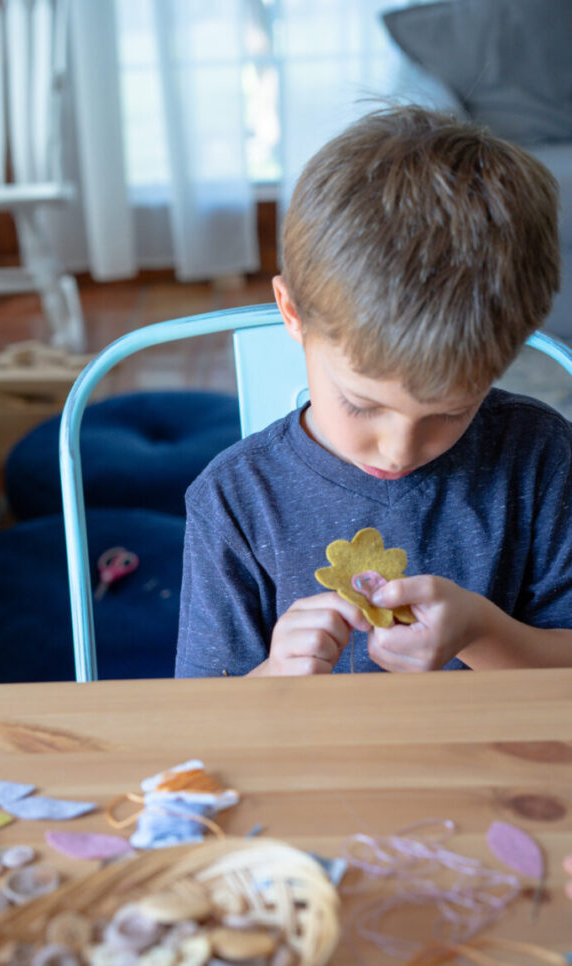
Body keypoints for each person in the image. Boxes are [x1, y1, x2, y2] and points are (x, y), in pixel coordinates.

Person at [175, 105, 572, 677]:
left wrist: (484, 632)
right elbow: (200, 715)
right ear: (292, 313)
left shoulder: (541, 458)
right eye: (362, 404)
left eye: (452, 412)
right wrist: (273, 677)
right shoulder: (235, 500)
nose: (399, 449)